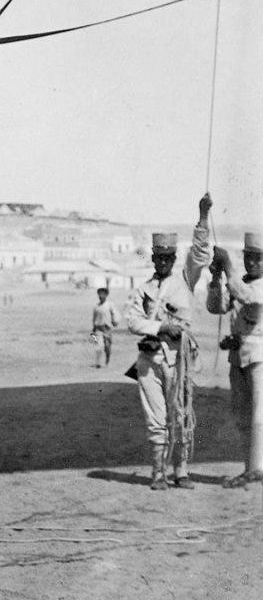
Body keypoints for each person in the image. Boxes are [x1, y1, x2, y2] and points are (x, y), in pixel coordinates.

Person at [125, 194, 212, 491]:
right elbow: (132, 321)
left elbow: (200, 253)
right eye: (158, 257)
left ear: (174, 259)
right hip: (149, 361)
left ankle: (181, 471)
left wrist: (202, 216)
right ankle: (158, 472)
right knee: (157, 418)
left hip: (179, 360)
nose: (163, 262)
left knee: (181, 413)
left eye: (168, 258)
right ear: (152, 258)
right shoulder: (143, 289)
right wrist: (161, 327)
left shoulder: (184, 281)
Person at [208, 231, 263, 488]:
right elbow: (216, 307)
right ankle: (250, 467)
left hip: (259, 358)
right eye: (249, 257)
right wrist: (216, 276)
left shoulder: (255, 286)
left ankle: (256, 468)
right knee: (242, 415)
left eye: (259, 258)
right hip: (238, 357)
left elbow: (247, 297)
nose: (253, 263)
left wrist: (228, 266)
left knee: (258, 416)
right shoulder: (238, 281)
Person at [91, 287, 120, 368]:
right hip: (97, 329)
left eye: (103, 294)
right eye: (99, 294)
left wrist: (115, 321)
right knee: (98, 346)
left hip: (107, 329)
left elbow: (115, 314)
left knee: (107, 347)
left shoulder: (110, 305)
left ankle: (107, 362)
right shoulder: (96, 306)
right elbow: (94, 318)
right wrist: (93, 329)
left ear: (106, 295)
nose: (101, 296)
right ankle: (98, 363)